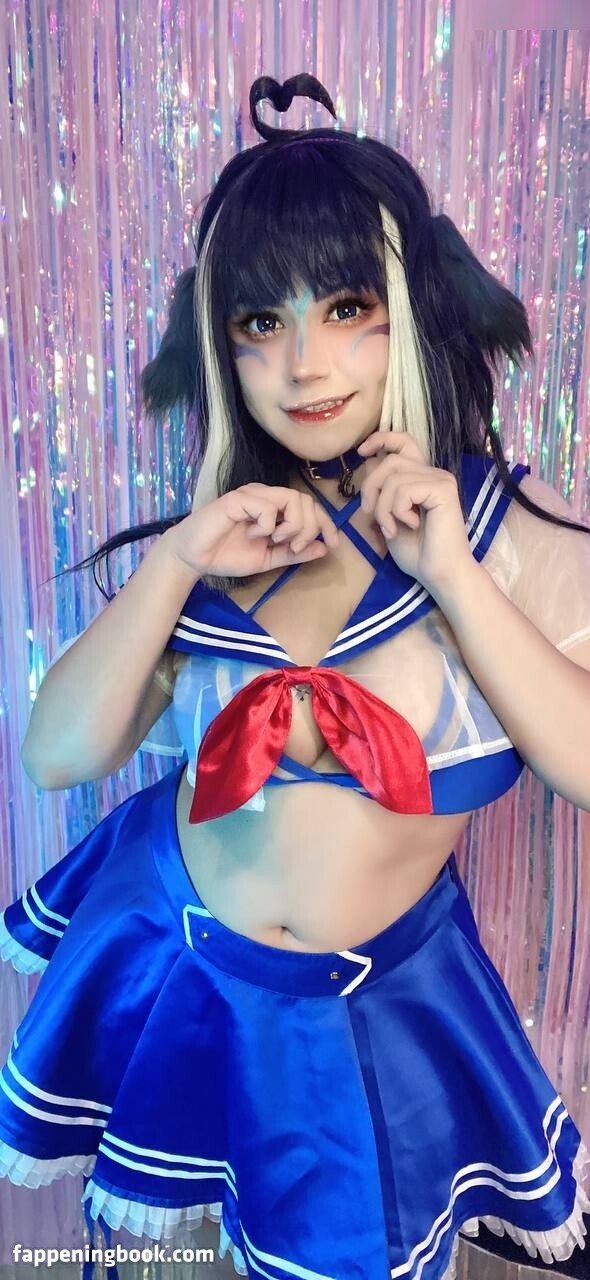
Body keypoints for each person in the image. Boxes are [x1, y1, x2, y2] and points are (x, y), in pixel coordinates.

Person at [1, 71, 589, 1280]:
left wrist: (453, 576)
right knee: (156, 1250)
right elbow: (57, 755)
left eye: (345, 306)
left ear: (411, 309)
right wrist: (173, 559)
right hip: (173, 958)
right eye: (259, 323)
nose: (303, 365)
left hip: (376, 999)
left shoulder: (505, 535)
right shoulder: (226, 534)